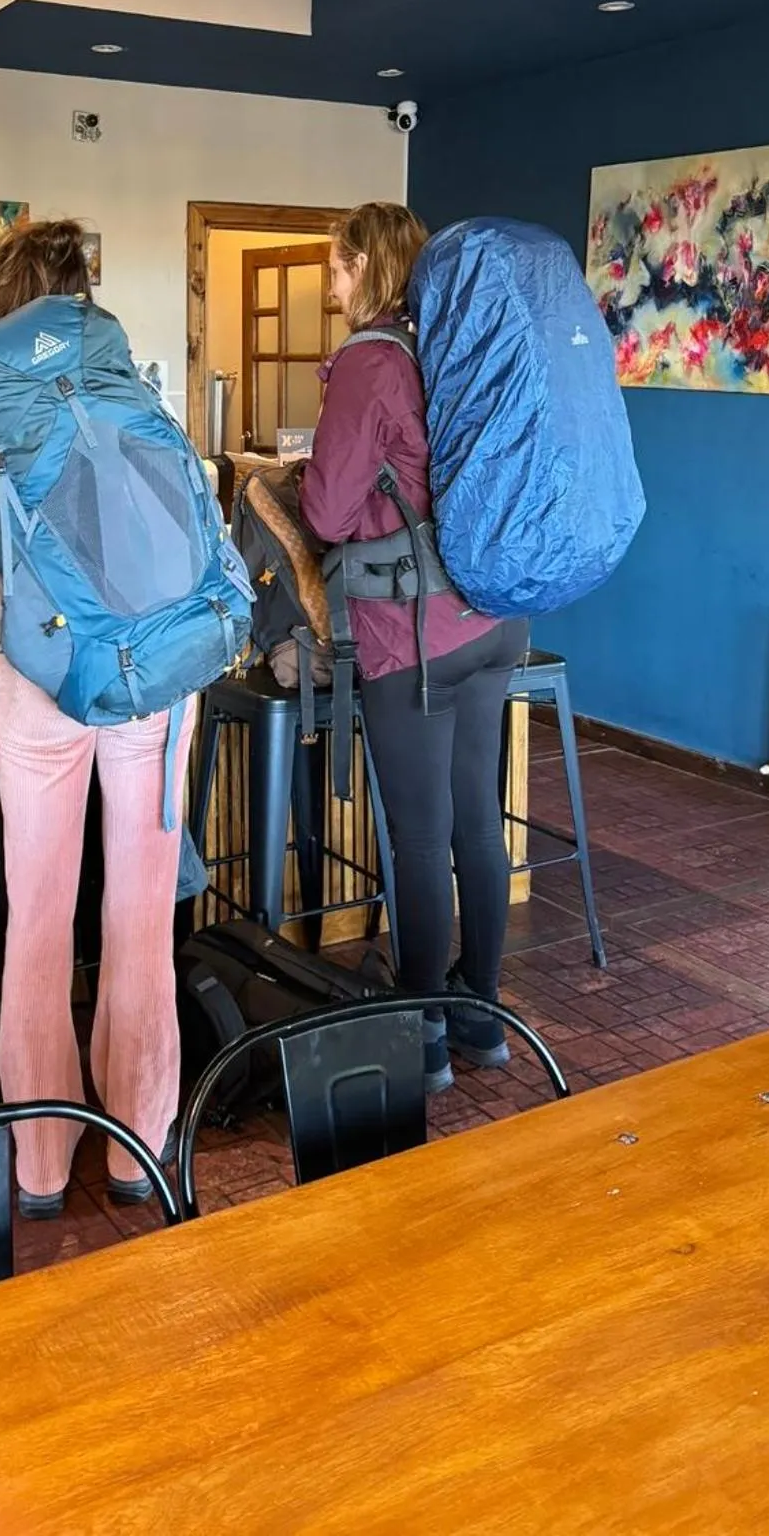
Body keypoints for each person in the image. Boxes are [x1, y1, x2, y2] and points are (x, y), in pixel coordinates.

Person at [0, 219, 195, 1214]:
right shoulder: (128, 372)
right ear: (80, 296)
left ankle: (42, 1165)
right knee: (142, 922)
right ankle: (138, 1149)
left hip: (36, 675)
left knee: (40, 923)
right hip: (152, 668)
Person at [298, 200, 528, 1091]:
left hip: (414, 633)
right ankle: (483, 1015)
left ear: (366, 266)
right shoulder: (455, 346)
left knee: (421, 836)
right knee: (477, 815)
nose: (331, 279)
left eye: (339, 263)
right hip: (495, 618)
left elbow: (325, 511)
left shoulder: (368, 363)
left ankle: (423, 1032)